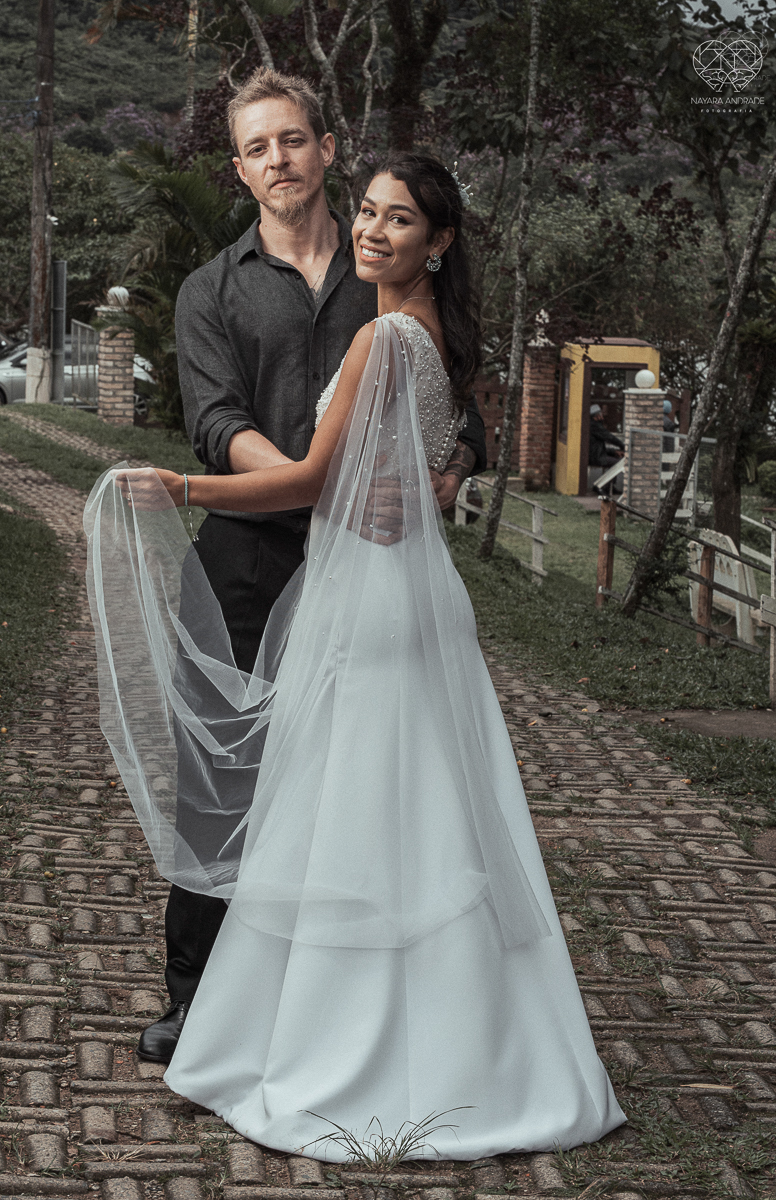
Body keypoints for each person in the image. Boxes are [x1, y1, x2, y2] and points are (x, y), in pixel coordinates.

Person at [84, 152, 624, 1159]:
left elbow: (312, 480)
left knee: (360, 816)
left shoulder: (383, 336)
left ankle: (354, 1052)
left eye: (401, 220)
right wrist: (429, 476)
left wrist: (179, 486)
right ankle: (457, 1044)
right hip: (403, 594)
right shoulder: (423, 335)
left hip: (375, 607)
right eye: (369, 213)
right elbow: (420, 456)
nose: (374, 231)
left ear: (440, 240)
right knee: (411, 816)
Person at [133, 68, 487, 1065]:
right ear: (241, 169)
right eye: (257, 148)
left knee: (354, 788)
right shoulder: (212, 289)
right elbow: (215, 422)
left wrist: (446, 474)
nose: (278, 160)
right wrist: (307, 484)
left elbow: (458, 404)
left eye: (292, 139)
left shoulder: (388, 267)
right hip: (248, 560)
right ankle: (197, 996)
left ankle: (318, 1000)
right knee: (223, 778)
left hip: (367, 576)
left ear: (326, 147)